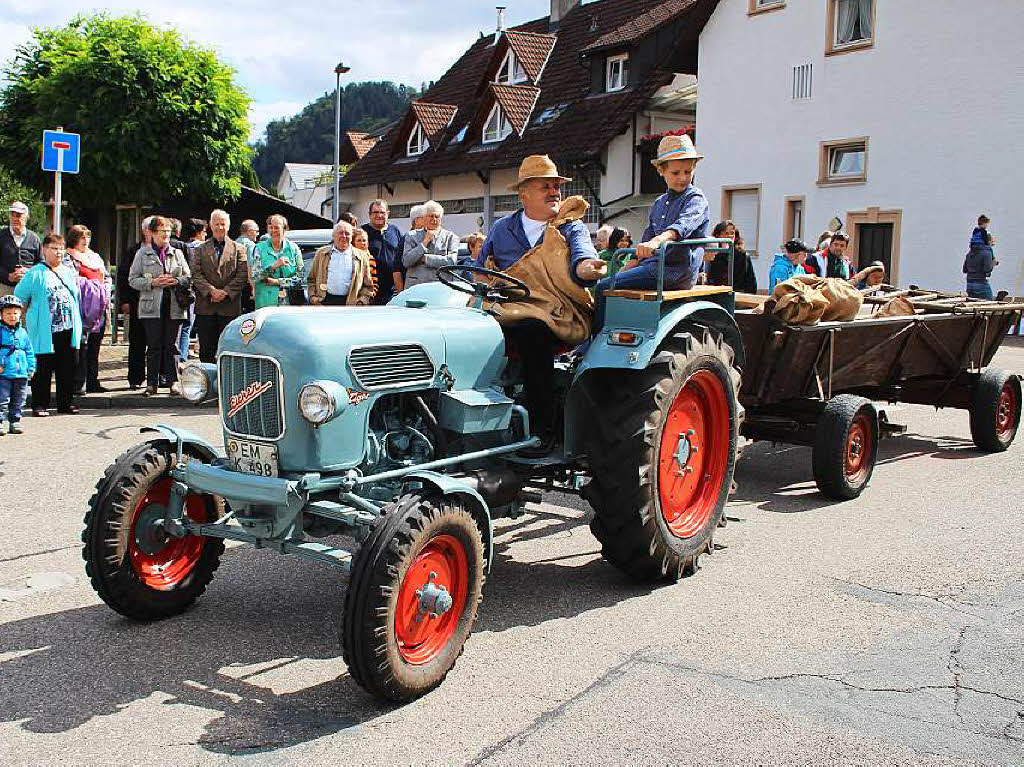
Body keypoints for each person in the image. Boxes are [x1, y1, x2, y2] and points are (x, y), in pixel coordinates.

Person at [475, 154, 605, 452]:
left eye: (556, 186)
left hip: (556, 312)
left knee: (532, 333)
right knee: (469, 333)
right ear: (524, 195)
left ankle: (541, 430)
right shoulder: (501, 229)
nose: (554, 192)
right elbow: (479, 269)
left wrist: (586, 268)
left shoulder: (569, 228)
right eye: (545, 186)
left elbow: (583, 258)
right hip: (507, 308)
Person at [593, 135, 709, 331]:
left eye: (687, 172)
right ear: (660, 171)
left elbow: (683, 225)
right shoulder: (659, 203)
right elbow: (646, 240)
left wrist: (658, 240)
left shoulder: (696, 199)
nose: (682, 178)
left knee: (603, 287)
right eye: (675, 173)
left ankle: (594, 340)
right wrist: (627, 266)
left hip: (674, 271)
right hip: (655, 266)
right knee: (609, 282)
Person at [15, 234, 82, 415]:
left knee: (67, 367)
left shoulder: (68, 271)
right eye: (54, 248)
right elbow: (19, 297)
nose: (58, 252)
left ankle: (65, 403)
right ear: (44, 250)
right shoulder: (35, 273)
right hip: (45, 329)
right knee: (43, 367)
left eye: (61, 248)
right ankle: (40, 404)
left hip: (68, 327)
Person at [128, 216, 191, 396]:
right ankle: (151, 384)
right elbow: (132, 280)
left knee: (172, 345)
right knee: (154, 345)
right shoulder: (142, 254)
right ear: (153, 233)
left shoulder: (177, 253)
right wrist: (153, 282)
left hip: (174, 305)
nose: (166, 235)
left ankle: (173, 382)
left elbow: (188, 277)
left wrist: (175, 280)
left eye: (169, 232)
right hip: (151, 306)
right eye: (163, 231)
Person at [190, 209, 249, 362]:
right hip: (206, 306)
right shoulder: (200, 249)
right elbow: (196, 274)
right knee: (206, 351)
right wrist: (211, 291)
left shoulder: (239, 249)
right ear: (210, 225)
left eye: (223, 224)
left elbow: (242, 275)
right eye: (216, 224)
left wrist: (225, 292)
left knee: (229, 350)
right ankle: (208, 383)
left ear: (228, 226)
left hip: (229, 306)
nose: (219, 227)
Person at [66, 225, 111, 393]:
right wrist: (91, 285)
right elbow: (71, 279)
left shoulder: (95, 257)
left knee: (95, 346)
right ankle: (79, 382)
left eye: (87, 237)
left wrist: (103, 288)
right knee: (81, 346)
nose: (85, 241)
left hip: (98, 308)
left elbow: (106, 277)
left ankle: (93, 380)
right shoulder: (68, 258)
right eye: (81, 237)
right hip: (81, 309)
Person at [117, 216, 153, 388]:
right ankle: (136, 378)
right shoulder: (133, 251)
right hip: (137, 302)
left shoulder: (163, 249)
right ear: (145, 230)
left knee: (156, 342)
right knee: (137, 341)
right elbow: (123, 276)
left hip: (157, 303)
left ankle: (157, 377)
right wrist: (124, 301)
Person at [307, 221, 375, 306]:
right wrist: (313, 298)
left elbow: (368, 286)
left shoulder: (362, 257)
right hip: (324, 302)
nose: (344, 236)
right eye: (340, 233)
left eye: (347, 233)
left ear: (351, 237)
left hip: (351, 305)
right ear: (334, 236)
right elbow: (311, 279)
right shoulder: (321, 254)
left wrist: (361, 302)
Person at [402, 200, 460, 289]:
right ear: (424, 218)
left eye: (437, 217)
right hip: (416, 287)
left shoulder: (451, 237)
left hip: (440, 287)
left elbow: (451, 262)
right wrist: (424, 243)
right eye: (431, 216)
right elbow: (406, 261)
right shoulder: (411, 236)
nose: (434, 219)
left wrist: (425, 258)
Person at [252, 214, 304, 309]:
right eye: (270, 227)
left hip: (289, 304)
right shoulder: (259, 248)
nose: (273, 231)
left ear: (284, 229)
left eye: (277, 227)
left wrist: (278, 282)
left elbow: (300, 277)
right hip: (265, 303)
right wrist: (273, 266)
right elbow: (256, 276)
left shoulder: (294, 249)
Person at [0, 295, 35, 434]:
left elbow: (29, 351)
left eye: (15, 313)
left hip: (21, 373)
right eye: (8, 313)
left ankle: (15, 421)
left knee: (19, 399)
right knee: (2, 399)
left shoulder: (23, 333)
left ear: (20, 314)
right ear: (1, 315)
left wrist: (31, 367)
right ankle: (1, 421)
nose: (12, 316)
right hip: (4, 373)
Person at [362, 200, 404, 305]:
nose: (379, 215)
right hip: (369, 291)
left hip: (392, 291)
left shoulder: (395, 231)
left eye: (382, 212)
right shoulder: (362, 233)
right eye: (375, 212)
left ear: (388, 214)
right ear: (369, 214)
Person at [0, 201, 42, 297]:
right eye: (12, 215)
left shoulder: (34, 238)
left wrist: (29, 272)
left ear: (26, 217)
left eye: (18, 215)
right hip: (4, 289)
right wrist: (8, 276)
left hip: (28, 290)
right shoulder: (1, 236)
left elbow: (41, 263)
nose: (15, 218)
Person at [706, 220, 757, 293]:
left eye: (732, 233)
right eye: (726, 233)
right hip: (716, 293)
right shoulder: (713, 253)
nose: (729, 236)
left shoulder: (742, 254)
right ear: (718, 235)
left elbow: (750, 280)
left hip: (737, 293)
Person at [964, 214, 997, 299]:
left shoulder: (970, 253)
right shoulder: (987, 252)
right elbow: (987, 269)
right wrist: (993, 264)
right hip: (981, 285)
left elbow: (964, 269)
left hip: (969, 285)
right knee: (989, 304)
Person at [236, 219, 259, 313]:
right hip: (247, 285)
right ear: (249, 231)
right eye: (256, 231)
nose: (257, 234)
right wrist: (254, 288)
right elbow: (251, 267)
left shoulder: (234, 243)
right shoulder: (251, 245)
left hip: (234, 285)